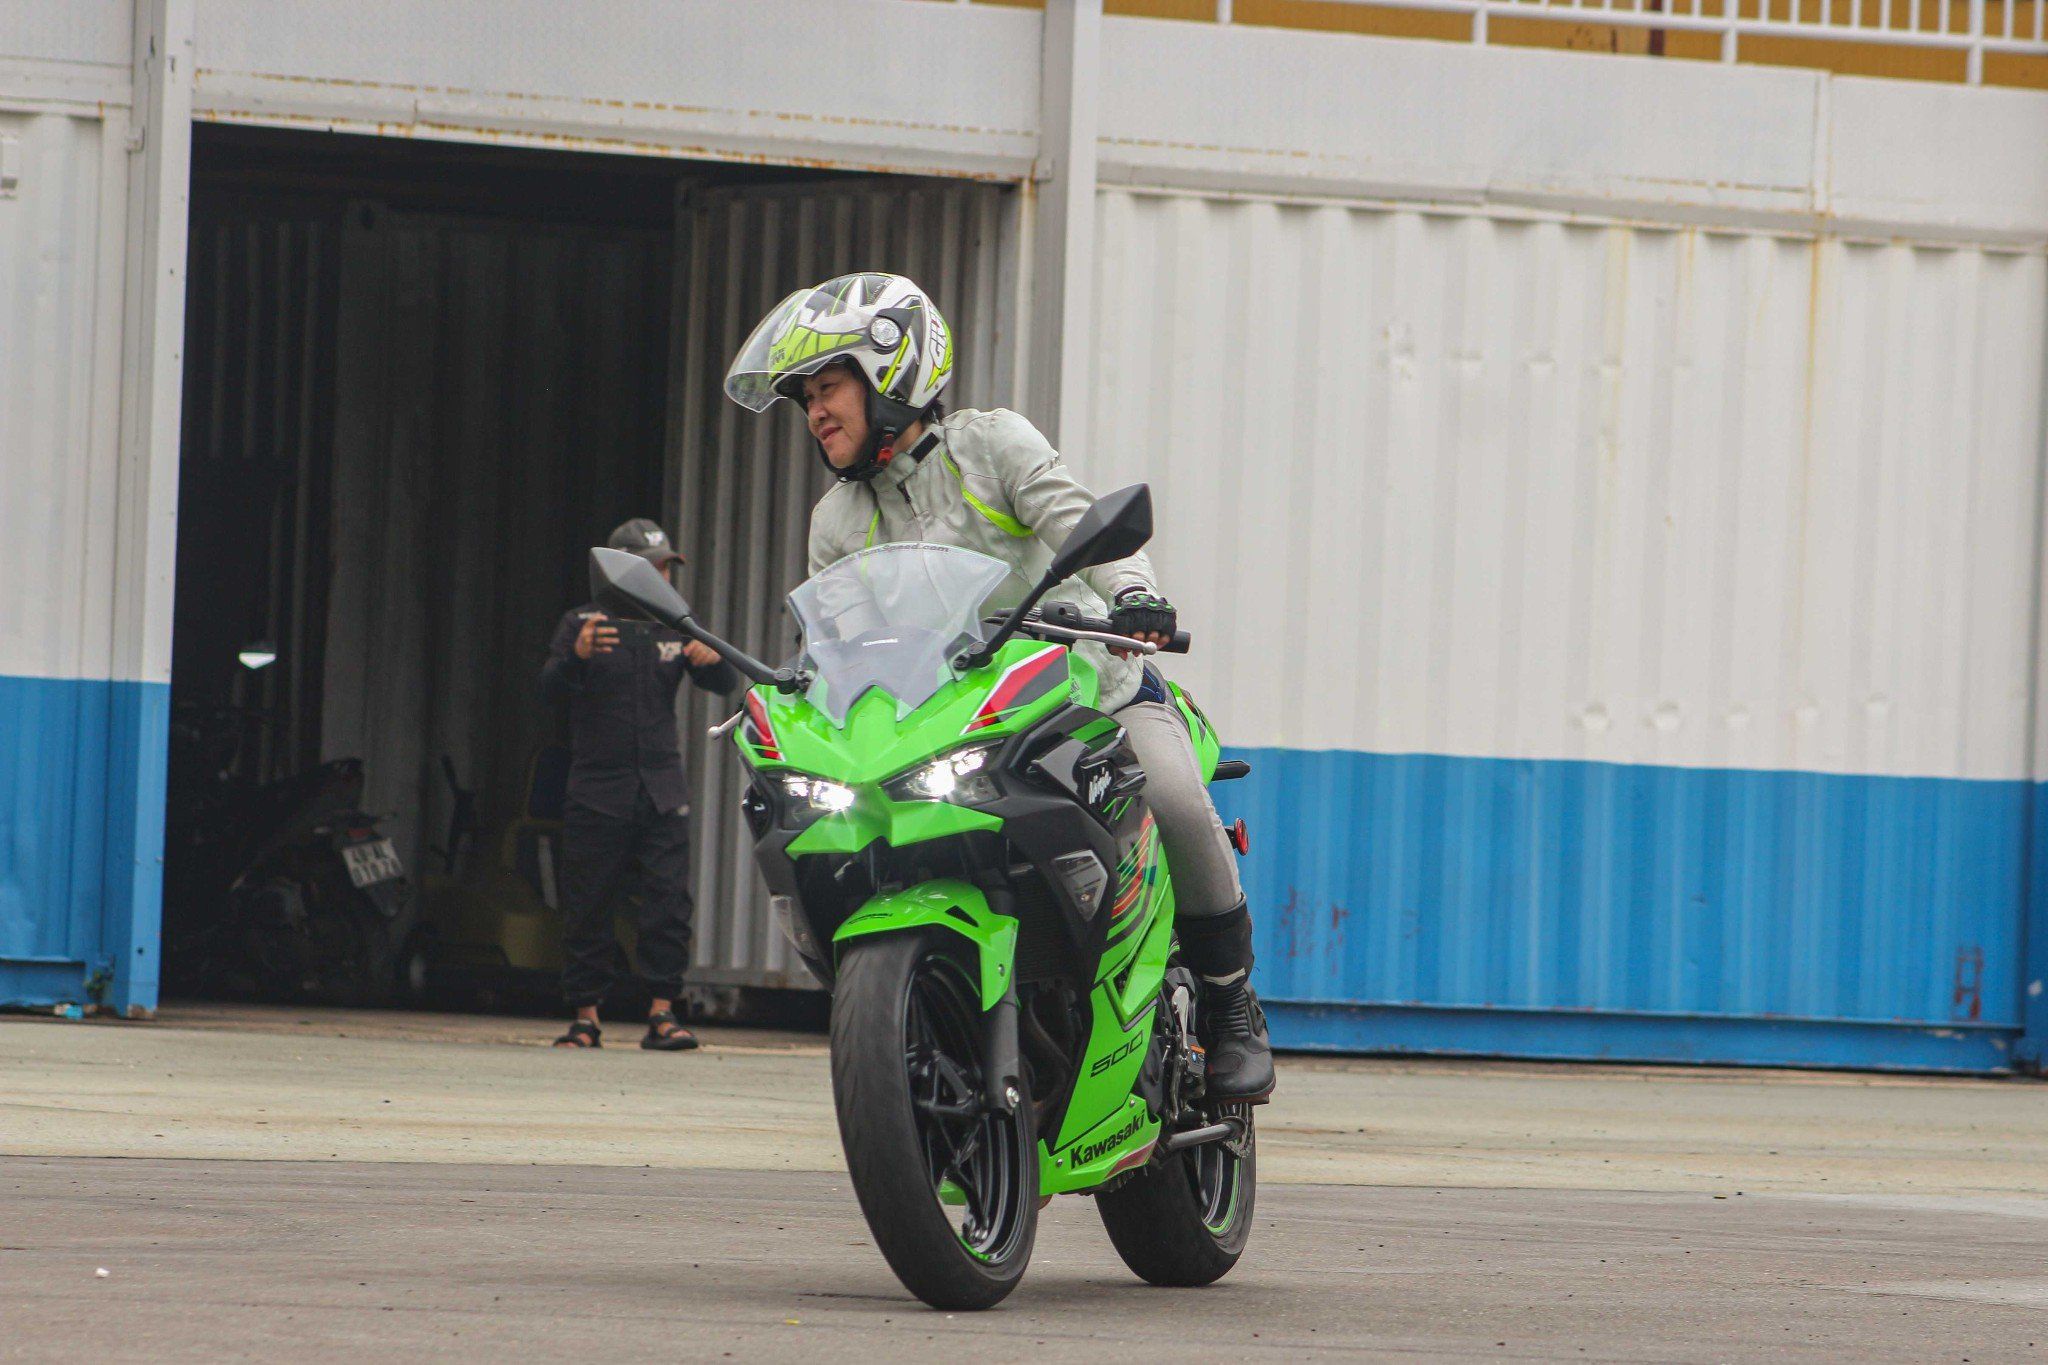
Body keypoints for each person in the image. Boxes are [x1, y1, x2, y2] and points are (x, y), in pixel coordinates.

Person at [722, 273, 1274, 1101]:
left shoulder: (991, 447)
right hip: (956, 723)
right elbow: (834, 647)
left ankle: (1232, 1006)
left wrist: (1134, 595)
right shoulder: (834, 520)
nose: (815, 413)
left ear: (892, 373)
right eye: (805, 399)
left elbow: (1081, 525)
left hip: (1086, 691)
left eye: (827, 387)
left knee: (1172, 793)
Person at [539, 518, 738, 1051]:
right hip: (596, 789)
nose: (662, 577)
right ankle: (586, 1017)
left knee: (668, 904)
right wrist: (576, 656)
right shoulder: (583, 623)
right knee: (588, 903)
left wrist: (713, 659)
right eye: (652, 568)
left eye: (666, 568)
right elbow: (548, 691)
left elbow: (725, 684)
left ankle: (663, 1013)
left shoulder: (676, 623)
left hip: (662, 789)